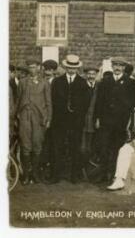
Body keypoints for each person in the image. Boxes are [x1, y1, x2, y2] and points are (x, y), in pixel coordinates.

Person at [95, 57, 135, 182]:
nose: (118, 68)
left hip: (121, 122)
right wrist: (97, 118)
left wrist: (129, 120)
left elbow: (134, 103)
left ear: (124, 68)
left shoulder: (130, 83)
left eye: (120, 66)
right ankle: (103, 174)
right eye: (115, 65)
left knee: (116, 148)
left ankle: (114, 175)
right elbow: (99, 102)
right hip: (106, 121)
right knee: (104, 147)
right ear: (112, 67)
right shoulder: (105, 82)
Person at [50, 55, 90, 184]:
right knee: (58, 147)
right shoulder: (57, 82)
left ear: (77, 69)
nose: (71, 70)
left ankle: (74, 175)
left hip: (76, 122)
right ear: (66, 67)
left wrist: (79, 116)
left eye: (74, 68)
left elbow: (86, 104)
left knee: (75, 148)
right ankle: (56, 175)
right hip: (59, 121)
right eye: (69, 68)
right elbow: (53, 101)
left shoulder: (83, 83)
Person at [16, 58, 52, 185]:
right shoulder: (22, 82)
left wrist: (48, 119)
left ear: (39, 68)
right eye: (30, 67)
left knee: (37, 146)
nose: (32, 69)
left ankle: (35, 174)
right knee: (25, 146)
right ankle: (26, 175)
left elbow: (48, 103)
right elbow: (18, 100)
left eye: (34, 66)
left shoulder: (44, 83)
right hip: (25, 116)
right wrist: (17, 116)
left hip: (39, 118)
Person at [81, 66, 100, 168]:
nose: (91, 76)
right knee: (82, 146)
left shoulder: (99, 86)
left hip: (93, 120)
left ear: (96, 75)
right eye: (89, 74)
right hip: (83, 120)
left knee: (92, 145)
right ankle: (81, 166)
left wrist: (98, 119)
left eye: (93, 74)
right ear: (86, 75)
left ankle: (89, 165)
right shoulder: (81, 86)